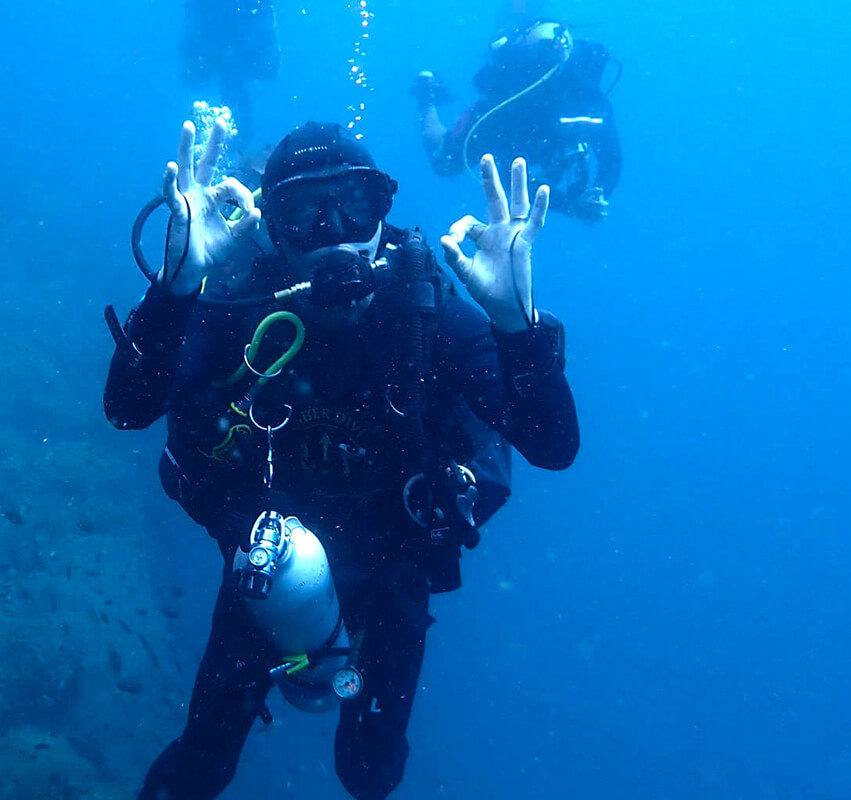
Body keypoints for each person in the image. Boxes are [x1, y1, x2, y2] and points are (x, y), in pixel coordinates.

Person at [104, 116, 579, 799]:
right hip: (266, 559)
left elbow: (553, 446)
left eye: (357, 202)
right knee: (202, 762)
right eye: (303, 211)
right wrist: (175, 291)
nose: (336, 230)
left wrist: (517, 326)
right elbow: (127, 408)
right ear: (273, 227)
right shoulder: (242, 305)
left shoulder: (430, 313)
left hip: (393, 571)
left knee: (371, 770)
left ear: (385, 207)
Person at [414, 19, 622, 221]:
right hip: (491, 121)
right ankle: (427, 96)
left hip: (532, 138)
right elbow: (510, 173)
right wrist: (570, 205)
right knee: (444, 163)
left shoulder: (592, 101)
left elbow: (611, 157)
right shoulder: (524, 107)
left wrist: (598, 191)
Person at [180, 0, 280, 147]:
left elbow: (269, 69)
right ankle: (239, 144)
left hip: (228, 28)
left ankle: (238, 144)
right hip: (220, 27)